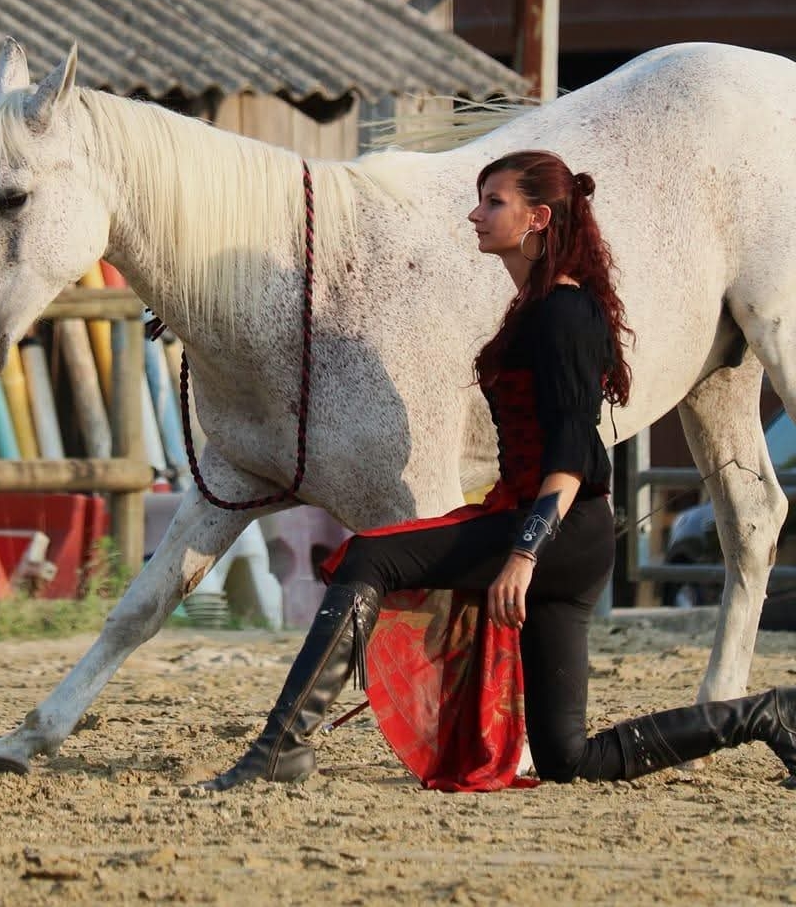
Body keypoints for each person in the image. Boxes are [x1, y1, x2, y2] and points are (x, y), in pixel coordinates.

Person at [201, 150, 796, 791]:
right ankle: (768, 715)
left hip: (558, 531)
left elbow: (572, 452)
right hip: (558, 529)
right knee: (566, 760)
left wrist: (523, 554)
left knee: (369, 557)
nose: (475, 215)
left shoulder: (562, 312)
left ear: (537, 218)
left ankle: (283, 747)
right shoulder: (538, 306)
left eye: (494, 202)